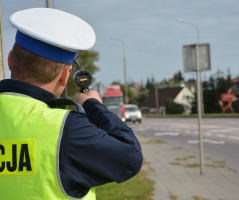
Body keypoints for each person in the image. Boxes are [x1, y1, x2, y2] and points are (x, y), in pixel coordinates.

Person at [0, 8, 143, 199]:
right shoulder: (67, 129)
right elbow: (130, 157)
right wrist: (94, 105)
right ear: (65, 75)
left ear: (10, 60)